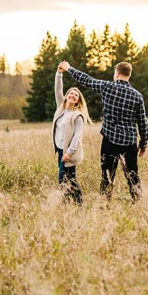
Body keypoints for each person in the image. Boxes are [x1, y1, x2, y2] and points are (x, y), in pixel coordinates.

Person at [58, 60, 148, 202]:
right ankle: (138, 204)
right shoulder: (138, 96)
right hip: (130, 143)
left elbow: (87, 80)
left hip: (110, 142)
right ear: (128, 75)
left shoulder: (107, 87)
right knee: (132, 177)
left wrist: (69, 68)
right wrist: (143, 144)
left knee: (107, 177)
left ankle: (104, 206)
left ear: (117, 74)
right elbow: (142, 122)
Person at [53, 64, 92, 204]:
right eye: (71, 93)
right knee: (68, 178)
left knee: (63, 178)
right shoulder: (61, 108)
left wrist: (69, 153)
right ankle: (74, 203)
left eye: (76, 95)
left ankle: (76, 204)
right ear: (67, 96)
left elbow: (77, 137)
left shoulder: (78, 116)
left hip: (69, 152)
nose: (73, 95)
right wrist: (59, 73)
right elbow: (58, 90)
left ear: (78, 100)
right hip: (60, 149)